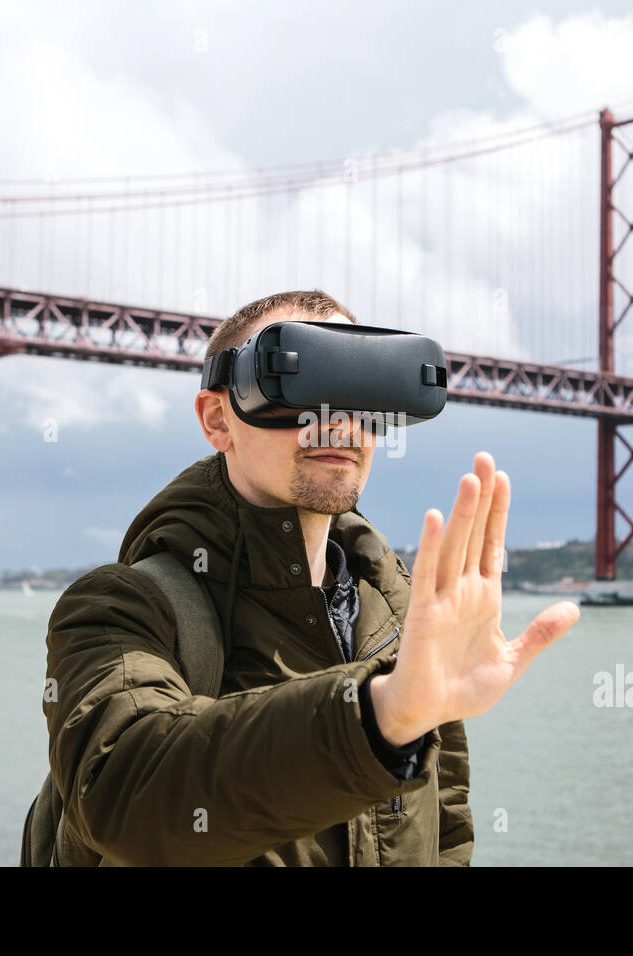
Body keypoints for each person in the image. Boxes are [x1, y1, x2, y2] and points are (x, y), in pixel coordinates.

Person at [32, 289, 580, 866]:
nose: (339, 424)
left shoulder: (396, 615)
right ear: (219, 419)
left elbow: (445, 825)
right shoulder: (121, 607)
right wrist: (376, 717)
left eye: (363, 391)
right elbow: (122, 791)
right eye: (300, 382)